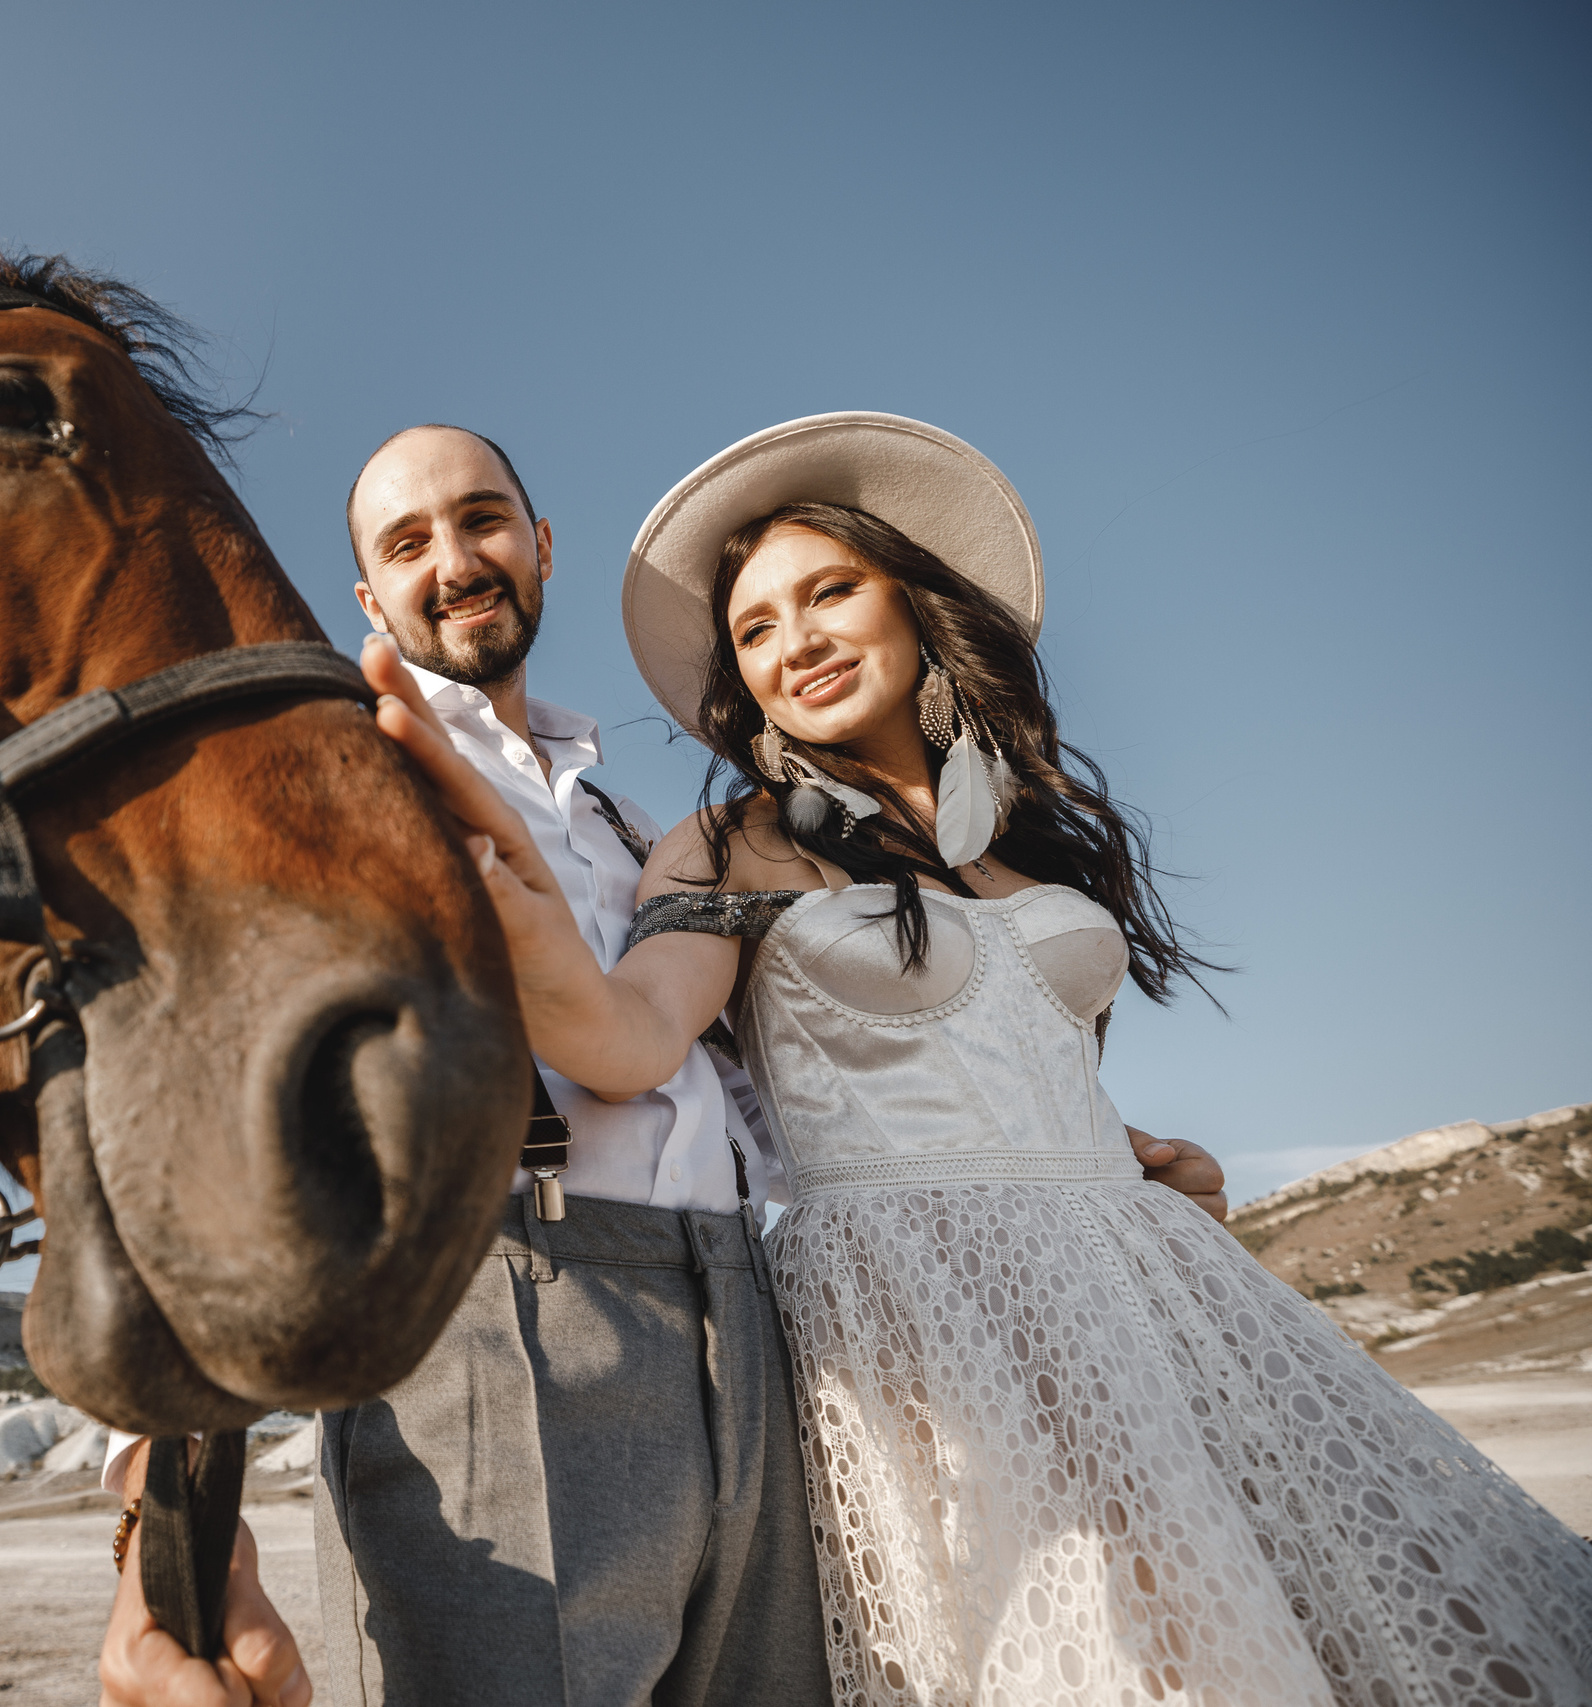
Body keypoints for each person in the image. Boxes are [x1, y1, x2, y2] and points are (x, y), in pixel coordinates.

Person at [368, 411, 1592, 1706]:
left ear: (913, 599)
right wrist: (525, 927)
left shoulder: (1034, 831)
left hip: (1144, 1296)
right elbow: (626, 1040)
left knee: (1371, 1621)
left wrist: (1136, 1158)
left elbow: (1027, 1061)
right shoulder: (734, 843)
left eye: (829, 591)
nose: (798, 642)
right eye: (756, 628)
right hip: (920, 1321)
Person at [98, 422, 1235, 1707]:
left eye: (481, 520)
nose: (455, 561)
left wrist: (1090, 1164)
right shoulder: (325, 788)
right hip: (504, 1321)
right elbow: (196, 1131)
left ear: (540, 545)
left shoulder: (628, 823)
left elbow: (819, 1087)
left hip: (758, 1331)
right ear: (368, 598)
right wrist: (165, 1526)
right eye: (408, 543)